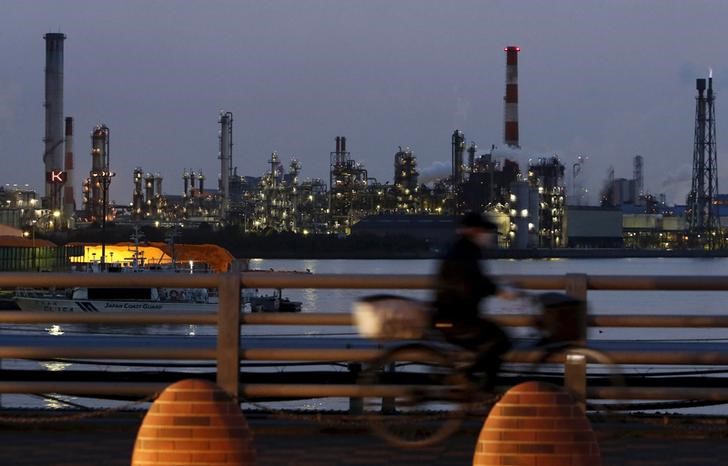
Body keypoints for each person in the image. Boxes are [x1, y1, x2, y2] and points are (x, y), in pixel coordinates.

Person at [432, 211, 513, 391]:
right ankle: (479, 386)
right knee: (501, 340)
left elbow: (475, 280)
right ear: (475, 231)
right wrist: (496, 290)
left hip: (453, 316)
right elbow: (468, 284)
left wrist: (495, 289)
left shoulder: (464, 249)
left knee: (493, 341)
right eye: (484, 232)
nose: (487, 236)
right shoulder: (465, 253)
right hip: (455, 319)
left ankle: (474, 382)